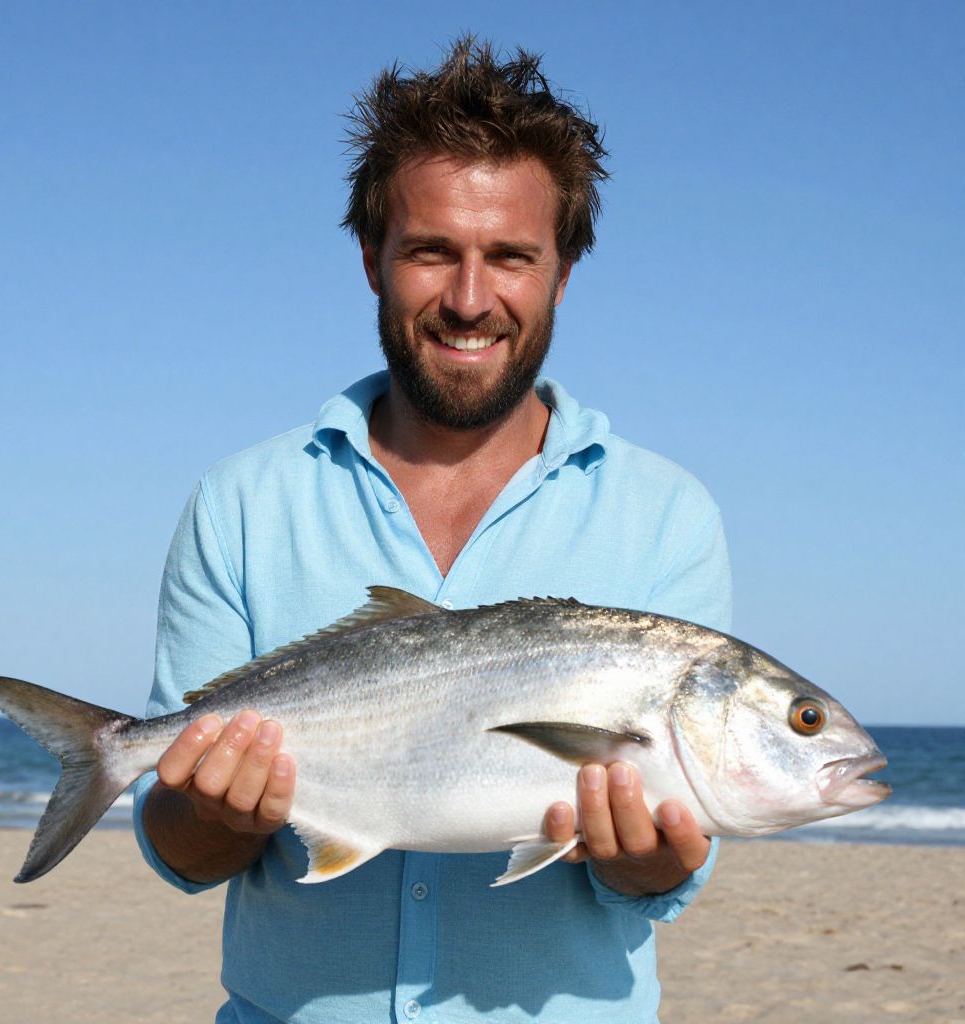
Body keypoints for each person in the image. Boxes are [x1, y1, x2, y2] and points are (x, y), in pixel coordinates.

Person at [134, 38, 731, 1024]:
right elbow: (181, 849)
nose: (467, 298)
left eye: (509, 256)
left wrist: (655, 857)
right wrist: (205, 807)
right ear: (371, 257)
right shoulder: (241, 500)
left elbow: (662, 882)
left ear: (563, 273)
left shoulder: (666, 515)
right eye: (429, 251)